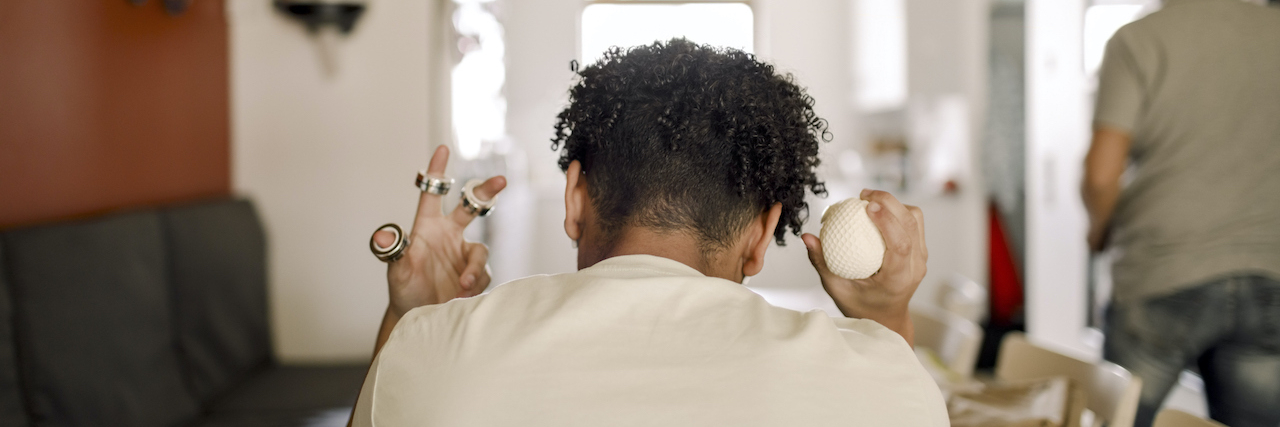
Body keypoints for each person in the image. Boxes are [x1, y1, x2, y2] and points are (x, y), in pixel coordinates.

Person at [351, 39, 947, 426]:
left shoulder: (428, 351)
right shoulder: (882, 385)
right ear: (764, 232)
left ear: (574, 198)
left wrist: (413, 319)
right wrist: (885, 323)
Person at [1082, 1, 1280, 426]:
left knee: (1121, 419)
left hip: (1164, 266)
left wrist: (1099, 229)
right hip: (1270, 268)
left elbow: (1101, 176)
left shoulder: (1140, 39)